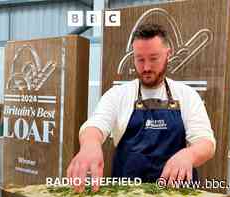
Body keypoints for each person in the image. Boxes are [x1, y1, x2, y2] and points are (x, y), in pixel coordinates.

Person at [66, 23, 216, 193]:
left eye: (153, 58)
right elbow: (96, 124)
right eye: (140, 59)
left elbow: (206, 143)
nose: (146, 67)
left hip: (176, 191)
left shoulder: (187, 95)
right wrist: (90, 145)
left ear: (168, 54)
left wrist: (189, 155)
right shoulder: (118, 94)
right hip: (127, 191)